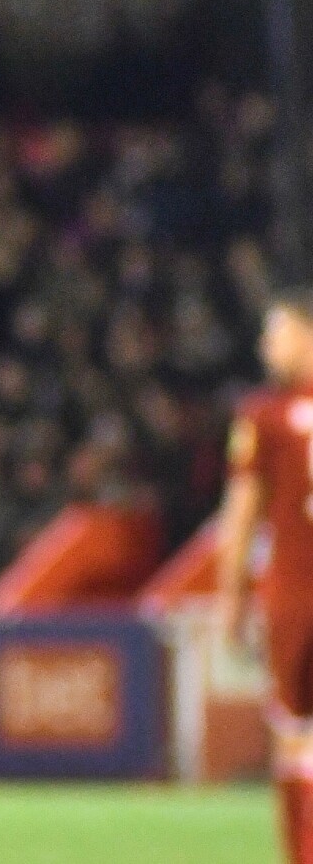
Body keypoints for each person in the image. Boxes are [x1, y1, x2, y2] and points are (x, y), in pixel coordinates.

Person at [221, 290, 313, 864]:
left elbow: (242, 515)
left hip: (294, 597)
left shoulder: (265, 415)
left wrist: (231, 598)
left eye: (275, 333)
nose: (265, 346)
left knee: (294, 735)